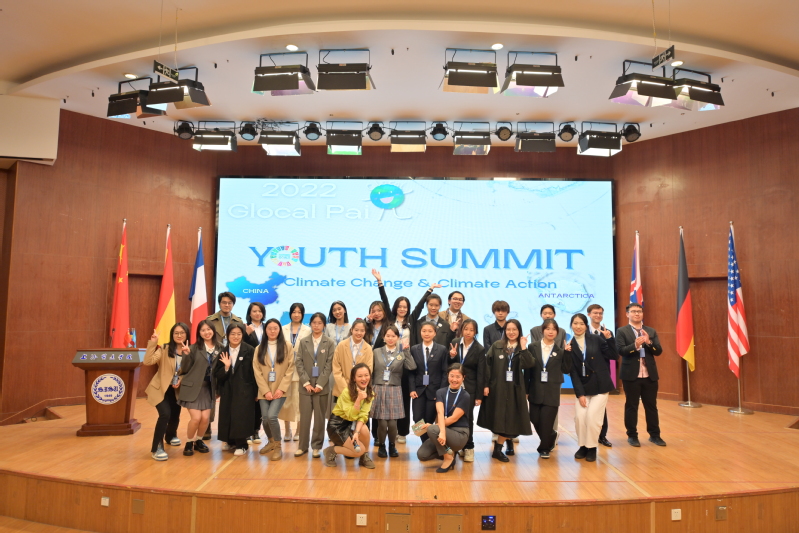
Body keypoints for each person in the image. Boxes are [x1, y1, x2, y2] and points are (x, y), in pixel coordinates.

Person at [477, 319, 534, 462]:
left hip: (515, 389)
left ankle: (500, 447)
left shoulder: (522, 347)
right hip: (498, 388)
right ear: (505, 331)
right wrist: (486, 385)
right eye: (508, 329)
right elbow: (487, 366)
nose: (511, 332)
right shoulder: (497, 345)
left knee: (513, 418)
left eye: (514, 329)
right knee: (499, 418)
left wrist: (523, 347)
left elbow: (529, 364)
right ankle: (503, 444)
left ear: (519, 331)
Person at [567, 313, 618, 462]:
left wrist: (610, 339)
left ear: (586, 325)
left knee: (592, 417)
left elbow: (613, 355)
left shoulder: (596, 339)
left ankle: (592, 447)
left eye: (581, 323)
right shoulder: (569, 345)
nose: (578, 326)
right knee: (580, 418)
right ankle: (583, 446)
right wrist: (580, 394)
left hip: (600, 385)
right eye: (575, 323)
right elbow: (573, 372)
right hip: (583, 388)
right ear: (571, 325)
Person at [616, 303, 666, 447]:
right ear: (627, 314)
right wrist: (635, 346)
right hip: (631, 375)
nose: (637, 314)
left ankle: (655, 435)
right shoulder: (622, 331)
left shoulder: (650, 331)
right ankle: (632, 435)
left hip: (650, 375)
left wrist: (649, 342)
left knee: (651, 406)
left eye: (639, 311)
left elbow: (658, 351)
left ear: (642, 314)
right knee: (631, 406)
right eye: (633, 311)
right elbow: (621, 351)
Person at [372, 269, 413, 443]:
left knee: (402, 400)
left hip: (402, 363)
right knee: (380, 402)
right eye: (400, 306)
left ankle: (401, 432)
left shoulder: (412, 322)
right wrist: (380, 282)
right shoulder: (389, 319)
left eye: (405, 307)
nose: (402, 309)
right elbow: (385, 300)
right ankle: (379, 435)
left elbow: (419, 306)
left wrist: (429, 290)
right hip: (386, 361)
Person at [526, 318, 573, 459]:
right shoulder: (532, 347)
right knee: (534, 418)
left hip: (552, 390)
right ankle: (551, 435)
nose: (550, 331)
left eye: (553, 329)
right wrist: (526, 390)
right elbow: (528, 370)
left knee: (547, 421)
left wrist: (568, 353)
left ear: (557, 332)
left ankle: (544, 448)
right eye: (547, 329)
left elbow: (566, 369)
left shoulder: (560, 351)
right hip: (535, 389)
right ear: (542, 331)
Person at [143, 322, 189, 461]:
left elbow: (192, 371)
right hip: (160, 388)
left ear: (187, 334)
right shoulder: (164, 348)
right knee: (165, 414)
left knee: (175, 414)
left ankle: (170, 436)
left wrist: (181, 378)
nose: (179, 335)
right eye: (176, 333)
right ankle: (157, 447)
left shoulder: (191, 350)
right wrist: (153, 343)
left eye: (182, 332)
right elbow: (148, 361)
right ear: (172, 335)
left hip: (177, 389)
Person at [176, 319, 221, 456]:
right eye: (203, 330)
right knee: (196, 418)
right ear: (199, 333)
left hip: (209, 389)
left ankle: (199, 441)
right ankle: (189, 442)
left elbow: (220, 371)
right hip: (192, 388)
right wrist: (186, 355)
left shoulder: (220, 348)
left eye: (209, 329)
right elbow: (185, 369)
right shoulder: (193, 348)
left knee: (205, 419)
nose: (206, 332)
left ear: (213, 330)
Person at [294, 312, 336, 458]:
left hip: (321, 388)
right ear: (310, 324)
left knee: (319, 419)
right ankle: (302, 446)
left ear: (324, 325)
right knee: (305, 418)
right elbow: (298, 362)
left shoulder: (329, 342)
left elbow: (329, 365)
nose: (316, 325)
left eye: (320, 323)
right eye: (314, 323)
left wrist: (320, 384)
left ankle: (317, 446)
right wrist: (305, 382)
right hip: (305, 386)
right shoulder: (303, 341)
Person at [253, 318, 296, 460]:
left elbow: (290, 369)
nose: (272, 331)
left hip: (280, 389)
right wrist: (265, 391)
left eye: (275, 328)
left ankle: (278, 446)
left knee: (272, 416)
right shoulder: (259, 348)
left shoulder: (287, 346)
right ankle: (271, 441)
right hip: (264, 390)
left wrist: (281, 389)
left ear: (279, 330)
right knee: (265, 418)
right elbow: (257, 371)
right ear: (265, 330)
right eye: (269, 328)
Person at [371, 325, 417, 458]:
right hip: (379, 388)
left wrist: (406, 350)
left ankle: (392, 445)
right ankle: (381, 445)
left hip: (394, 388)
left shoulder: (401, 353)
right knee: (381, 422)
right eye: (388, 336)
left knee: (392, 423)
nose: (390, 338)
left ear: (398, 338)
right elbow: (370, 370)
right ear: (383, 337)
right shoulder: (376, 352)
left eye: (393, 336)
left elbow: (412, 366)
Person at [417, 364, 471, 473]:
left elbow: (453, 419)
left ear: (463, 378)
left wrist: (438, 429)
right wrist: (440, 430)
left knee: (432, 429)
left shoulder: (465, 395)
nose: (454, 379)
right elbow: (440, 412)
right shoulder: (440, 392)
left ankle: (448, 458)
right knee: (422, 455)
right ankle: (450, 452)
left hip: (459, 434)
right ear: (447, 375)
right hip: (443, 430)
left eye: (458, 377)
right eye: (452, 376)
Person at [213, 323, 257, 456]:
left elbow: (255, 373)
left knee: (241, 416)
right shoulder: (223, 351)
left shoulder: (249, 350)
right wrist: (226, 367)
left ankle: (242, 445)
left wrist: (256, 392)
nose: (236, 337)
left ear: (243, 335)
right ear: (228, 335)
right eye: (232, 334)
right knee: (227, 415)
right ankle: (230, 441)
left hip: (245, 390)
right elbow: (218, 374)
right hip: (228, 389)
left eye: (239, 334)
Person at [323, 363, 376, 469]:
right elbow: (351, 416)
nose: (364, 379)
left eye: (366, 375)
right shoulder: (346, 392)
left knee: (364, 429)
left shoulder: (370, 393)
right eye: (360, 376)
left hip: (351, 423)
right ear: (354, 378)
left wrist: (356, 432)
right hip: (337, 425)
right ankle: (331, 450)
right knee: (358, 451)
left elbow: (363, 415)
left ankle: (364, 457)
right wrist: (358, 399)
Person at [445, 319, 484, 462]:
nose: (468, 332)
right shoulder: (455, 342)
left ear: (476, 332)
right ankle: (453, 446)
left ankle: (469, 447)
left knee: (467, 418)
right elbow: (448, 363)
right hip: (453, 386)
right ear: (461, 329)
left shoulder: (479, 349)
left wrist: (479, 395)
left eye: (471, 330)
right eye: (466, 329)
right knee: (451, 415)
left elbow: (481, 373)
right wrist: (452, 356)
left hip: (469, 388)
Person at [409, 322, 449, 442]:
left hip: (435, 391)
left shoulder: (441, 349)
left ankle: (427, 444)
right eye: (424, 331)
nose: (427, 334)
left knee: (429, 419)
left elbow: (444, 372)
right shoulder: (414, 349)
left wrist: (441, 392)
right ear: (420, 332)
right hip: (418, 390)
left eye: (430, 331)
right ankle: (425, 443)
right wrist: (412, 389)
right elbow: (411, 371)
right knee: (417, 418)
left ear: (435, 333)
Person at [280, 303, 311, 442]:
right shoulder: (283, 329)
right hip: (285, 371)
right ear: (290, 313)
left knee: (299, 403)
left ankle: (298, 431)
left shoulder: (307, 330)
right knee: (285, 403)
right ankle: (287, 430)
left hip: (300, 371)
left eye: (299, 312)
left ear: (302, 314)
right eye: (294, 312)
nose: (296, 314)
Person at [586, 303, 616, 448]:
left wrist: (609, 339)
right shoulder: (583, 332)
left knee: (601, 407)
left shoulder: (607, 332)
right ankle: (587, 435)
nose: (598, 316)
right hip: (586, 374)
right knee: (586, 407)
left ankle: (602, 436)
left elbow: (613, 355)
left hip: (602, 374)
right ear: (589, 315)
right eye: (595, 313)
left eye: (600, 313)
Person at [331, 319, 374, 404]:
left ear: (365, 332)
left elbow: (369, 370)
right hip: (341, 390)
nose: (359, 333)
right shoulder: (341, 345)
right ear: (351, 330)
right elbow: (336, 369)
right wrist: (346, 389)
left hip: (360, 391)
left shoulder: (368, 348)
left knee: (358, 412)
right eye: (356, 330)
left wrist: (358, 388)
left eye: (362, 330)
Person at [243, 301, 267, 445]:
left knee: (260, 400)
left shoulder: (267, 327)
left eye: (260, 311)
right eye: (254, 311)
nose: (257, 313)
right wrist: (246, 334)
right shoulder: (244, 327)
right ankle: (246, 432)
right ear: (249, 313)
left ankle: (256, 431)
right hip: (248, 368)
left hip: (264, 368)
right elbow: (239, 344)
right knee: (248, 401)